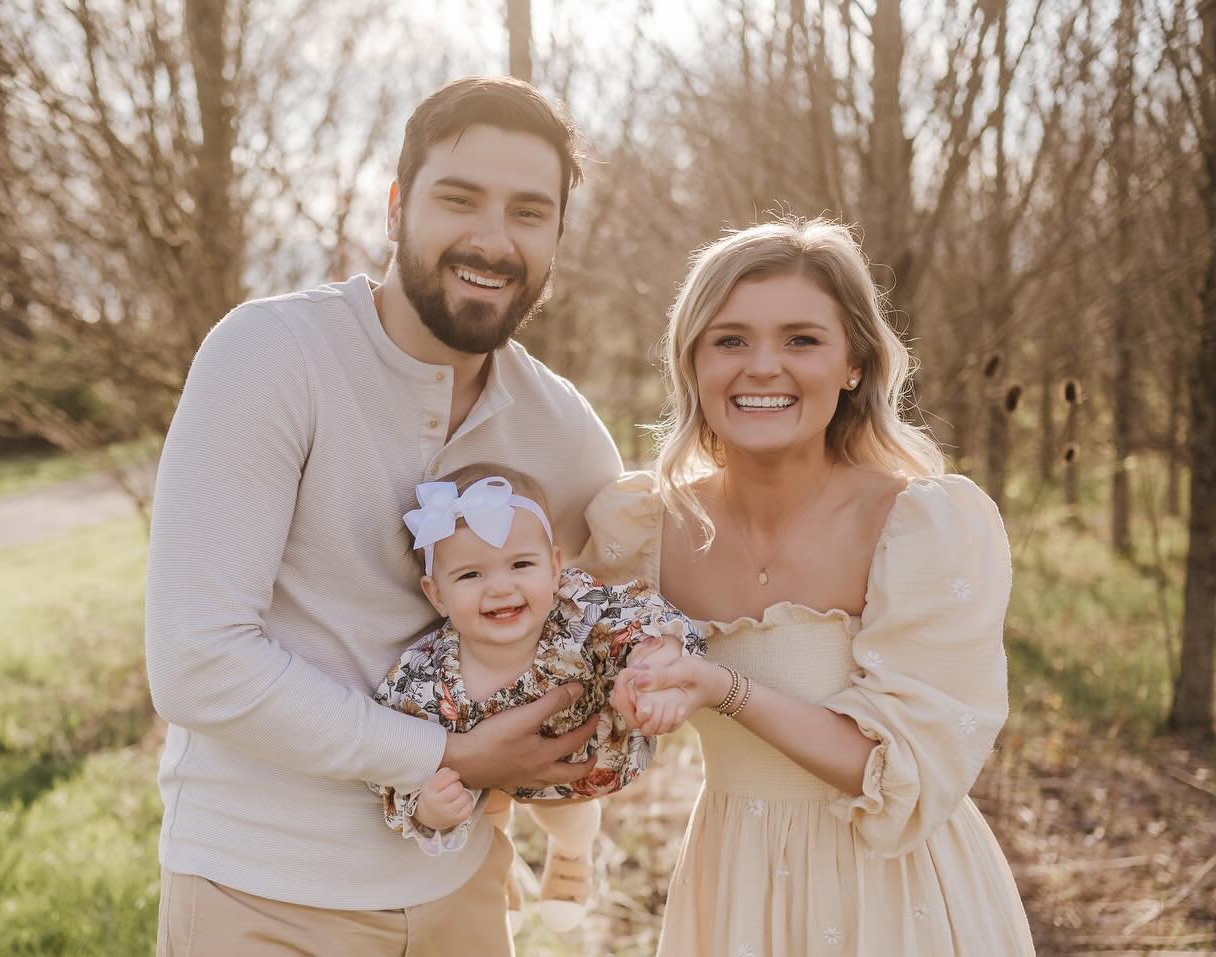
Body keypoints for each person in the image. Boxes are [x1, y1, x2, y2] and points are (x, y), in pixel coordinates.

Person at [144, 76, 624, 957]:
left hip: (466, 893)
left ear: (557, 237)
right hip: (261, 890)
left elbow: (625, 616)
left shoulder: (564, 431)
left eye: (529, 211)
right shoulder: (271, 355)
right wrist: (445, 755)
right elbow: (196, 660)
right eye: (459, 199)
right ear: (398, 205)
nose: (492, 238)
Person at [576, 218, 1035, 955]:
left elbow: (896, 770)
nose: (763, 366)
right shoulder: (644, 531)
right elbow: (569, 694)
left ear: (853, 361)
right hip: (732, 888)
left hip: (893, 895)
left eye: (801, 339)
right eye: (730, 340)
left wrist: (720, 685)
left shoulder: (920, 524)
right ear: (691, 361)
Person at [366, 464, 704, 931]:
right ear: (436, 594)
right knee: (486, 814)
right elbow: (394, 752)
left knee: (565, 818)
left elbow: (645, 615)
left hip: (583, 767)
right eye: (470, 575)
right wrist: (425, 806)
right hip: (486, 780)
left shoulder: (576, 609)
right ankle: (500, 870)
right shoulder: (425, 676)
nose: (500, 586)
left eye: (521, 564)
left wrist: (657, 660)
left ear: (554, 567)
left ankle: (571, 852)